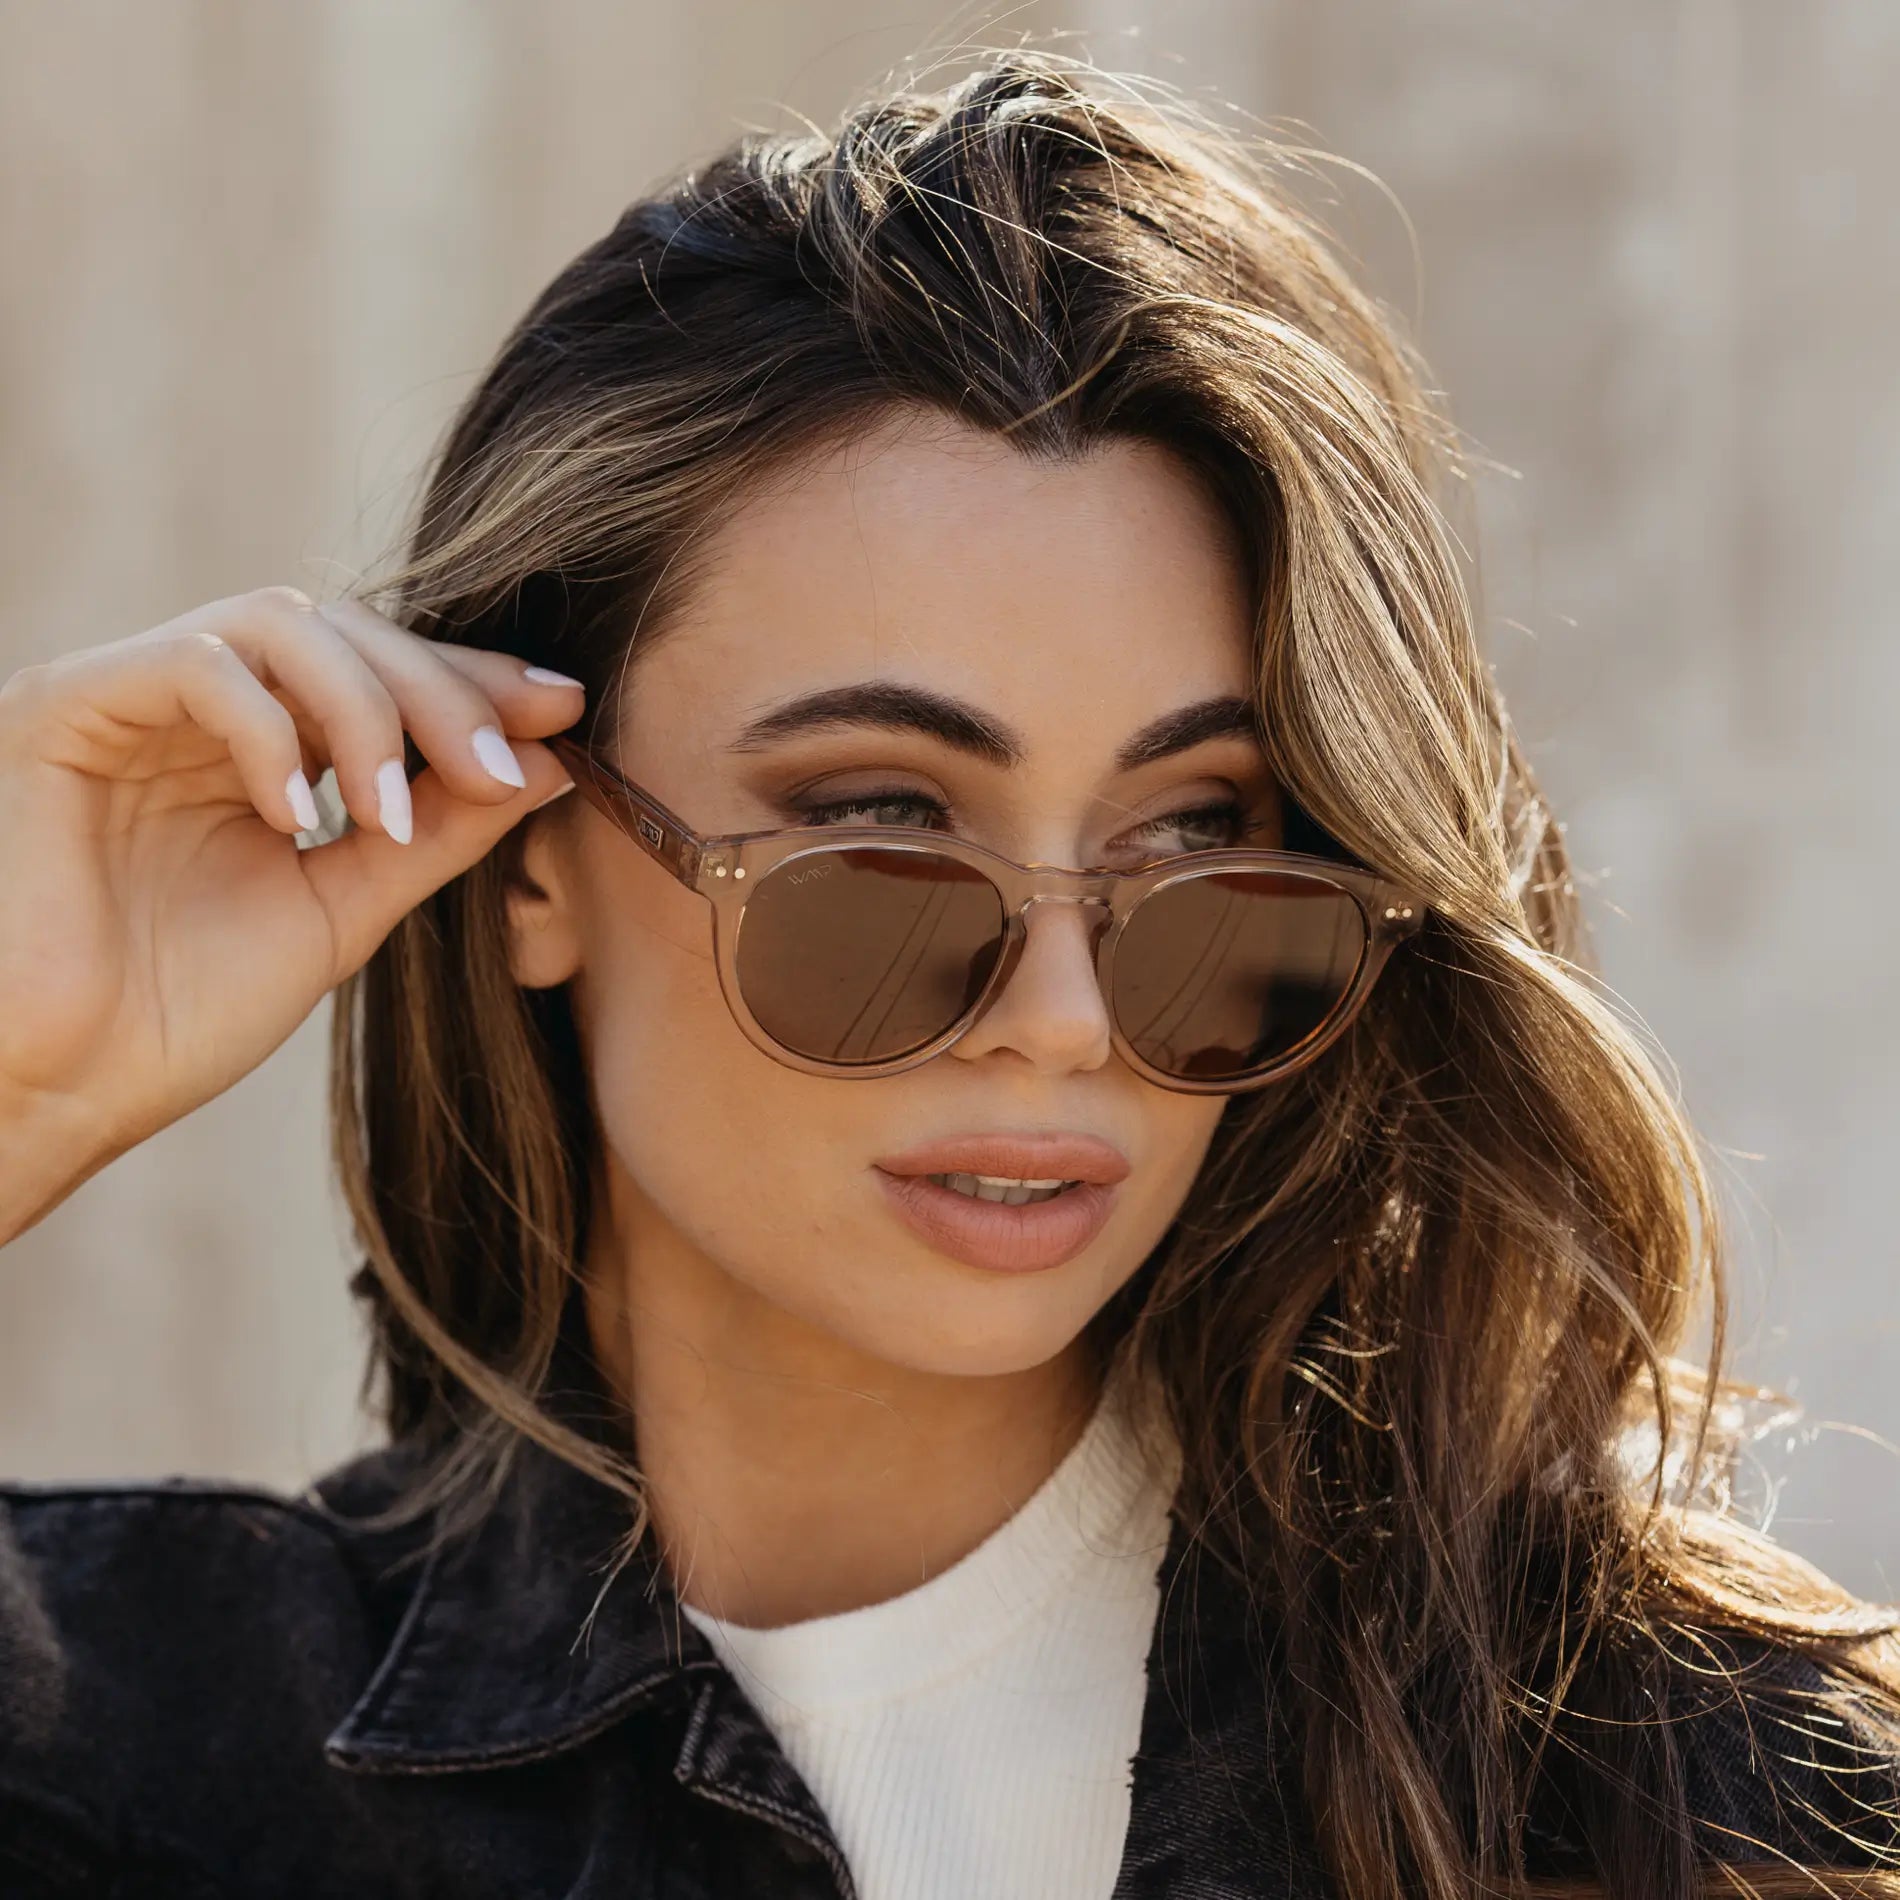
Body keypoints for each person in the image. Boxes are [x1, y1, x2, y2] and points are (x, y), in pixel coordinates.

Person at [1, 48, 1896, 1900]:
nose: (1064, 1019)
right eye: (883, 828)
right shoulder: (129, 1768)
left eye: (1197, 841)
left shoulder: (1701, 1787)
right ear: (522, 855)